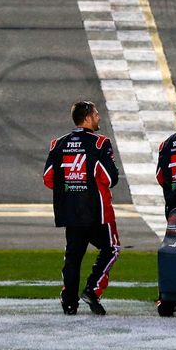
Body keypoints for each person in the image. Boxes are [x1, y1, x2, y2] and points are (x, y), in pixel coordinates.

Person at [43, 101, 120, 316]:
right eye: (96, 114)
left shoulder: (57, 144)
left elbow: (48, 178)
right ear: (86, 117)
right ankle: (92, 290)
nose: (98, 118)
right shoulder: (99, 143)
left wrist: (71, 187)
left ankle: (69, 303)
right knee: (111, 248)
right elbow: (110, 177)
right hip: (97, 212)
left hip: (71, 211)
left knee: (73, 258)